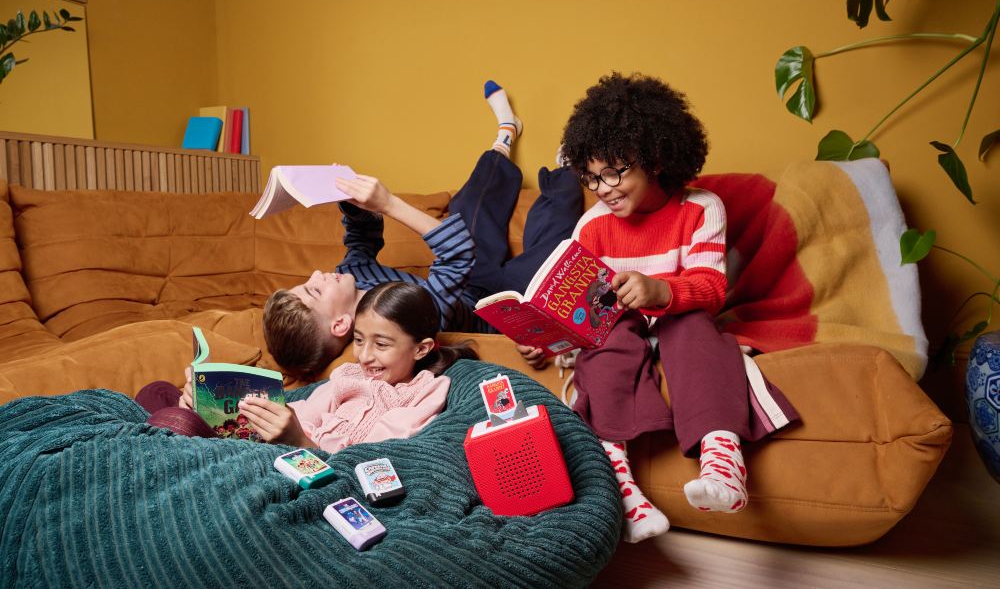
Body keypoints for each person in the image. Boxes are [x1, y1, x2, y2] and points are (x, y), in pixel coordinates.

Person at [550, 72, 800, 544]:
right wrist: (548, 334)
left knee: (692, 327)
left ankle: (724, 465)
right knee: (606, 339)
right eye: (591, 176)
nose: (603, 187)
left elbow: (709, 288)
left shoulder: (701, 208)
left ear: (656, 157)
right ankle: (623, 490)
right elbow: (585, 310)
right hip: (618, 333)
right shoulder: (590, 227)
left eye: (616, 171)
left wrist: (660, 292)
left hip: (680, 322)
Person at [263, 81, 582, 380]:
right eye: (315, 290)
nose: (317, 274)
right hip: (495, 307)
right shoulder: (399, 323)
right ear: (341, 324)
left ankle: (506, 135)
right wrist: (388, 202)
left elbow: (363, 238)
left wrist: (350, 202)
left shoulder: (350, 272)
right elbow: (457, 252)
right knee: (558, 247)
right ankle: (569, 165)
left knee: (467, 205)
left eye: (308, 282)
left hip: (470, 279)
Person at [137, 282, 477, 450]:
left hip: (311, 459)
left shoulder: (426, 390)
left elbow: (381, 454)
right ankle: (188, 418)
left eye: (382, 345)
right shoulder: (348, 375)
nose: (365, 356)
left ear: (422, 349)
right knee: (160, 392)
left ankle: (179, 428)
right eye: (358, 340)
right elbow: (303, 410)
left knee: (171, 420)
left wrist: (301, 442)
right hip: (282, 441)